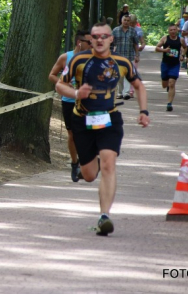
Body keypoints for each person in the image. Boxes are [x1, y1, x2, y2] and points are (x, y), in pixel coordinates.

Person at [56, 22, 150, 236]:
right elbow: (60, 84)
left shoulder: (122, 62)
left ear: (111, 39)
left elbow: (138, 86)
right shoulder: (78, 60)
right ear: (90, 40)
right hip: (82, 120)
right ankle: (93, 162)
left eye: (104, 36)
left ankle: (104, 216)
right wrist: (76, 93)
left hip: (109, 119)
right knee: (89, 175)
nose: (99, 40)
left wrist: (144, 111)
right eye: (95, 37)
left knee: (109, 164)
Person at [48, 30, 92, 182]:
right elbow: (52, 75)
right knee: (72, 134)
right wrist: (65, 86)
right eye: (89, 42)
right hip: (69, 102)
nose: (92, 45)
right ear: (80, 43)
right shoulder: (65, 57)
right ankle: (75, 163)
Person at [155, 24, 187, 111]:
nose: (173, 31)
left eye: (174, 30)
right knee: (164, 85)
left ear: (177, 30)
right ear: (168, 31)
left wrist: (182, 55)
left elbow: (185, 47)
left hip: (175, 65)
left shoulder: (180, 40)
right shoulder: (165, 38)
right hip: (165, 64)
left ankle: (169, 103)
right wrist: (164, 50)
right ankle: (168, 86)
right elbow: (157, 48)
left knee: (172, 83)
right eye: (171, 30)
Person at [111, 15, 140, 100]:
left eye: (128, 20)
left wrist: (137, 55)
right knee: (119, 75)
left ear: (130, 22)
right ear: (121, 20)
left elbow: (135, 44)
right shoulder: (115, 30)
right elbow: (111, 43)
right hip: (118, 56)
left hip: (129, 56)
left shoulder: (132, 31)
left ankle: (126, 93)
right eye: (125, 20)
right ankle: (120, 92)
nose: (126, 22)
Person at [128, 14, 145, 97]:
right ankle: (125, 90)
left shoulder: (138, 30)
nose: (131, 24)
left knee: (132, 72)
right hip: (125, 52)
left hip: (134, 53)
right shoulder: (125, 29)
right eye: (130, 22)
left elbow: (142, 42)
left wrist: (142, 46)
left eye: (133, 23)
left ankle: (131, 90)